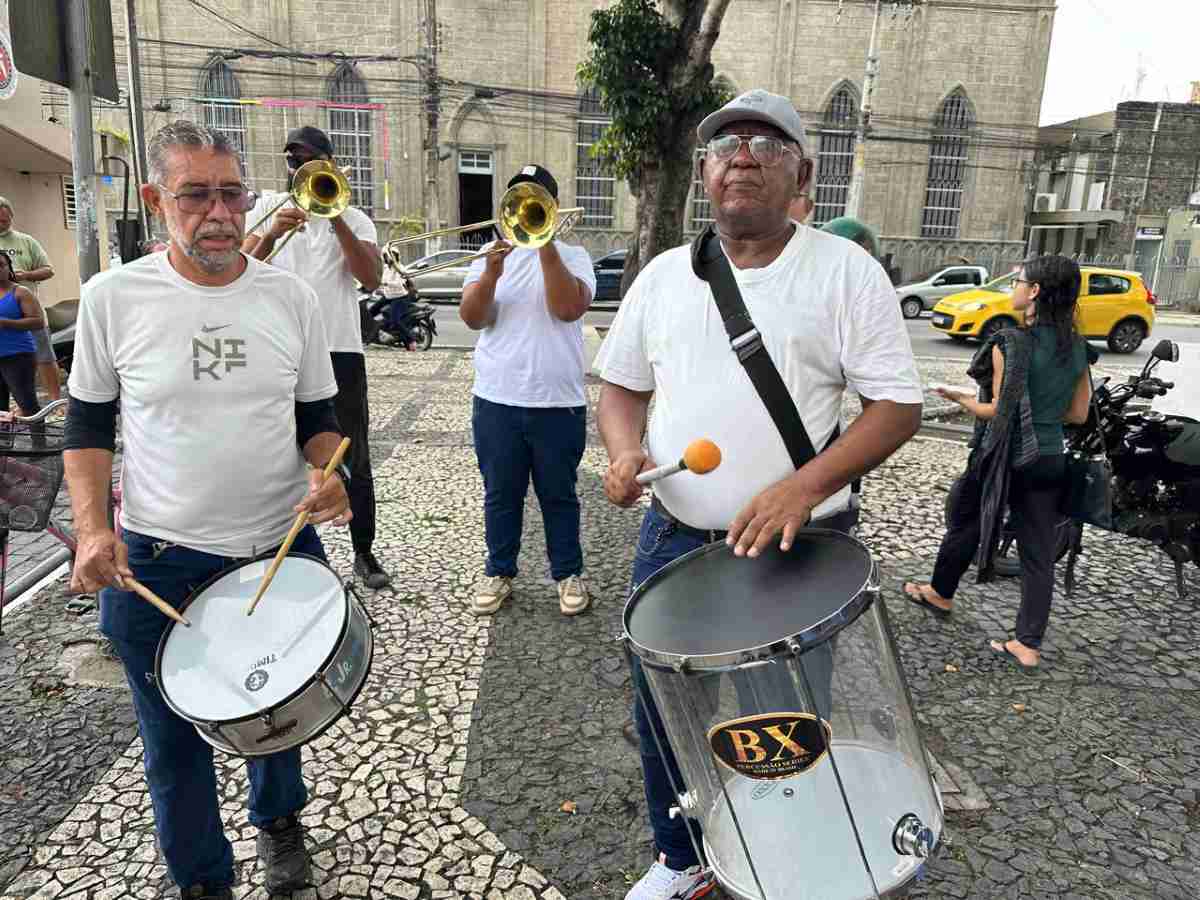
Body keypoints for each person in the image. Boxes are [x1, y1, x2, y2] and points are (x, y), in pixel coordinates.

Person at [595, 88, 924, 900]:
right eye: (725, 144)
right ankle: (681, 859)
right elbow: (620, 386)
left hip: (794, 545)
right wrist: (626, 450)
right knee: (662, 713)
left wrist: (801, 489)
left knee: (778, 723)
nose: (742, 155)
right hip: (675, 536)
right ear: (704, 172)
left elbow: (898, 407)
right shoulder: (666, 278)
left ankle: (781, 855)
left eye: (766, 144)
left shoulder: (845, 273)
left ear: (801, 173)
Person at [63, 121, 351, 900]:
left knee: (278, 710)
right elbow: (88, 426)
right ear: (158, 201)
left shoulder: (290, 298)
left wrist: (330, 476)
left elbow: (318, 419)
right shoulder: (112, 298)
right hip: (159, 556)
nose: (218, 213)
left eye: (231, 193)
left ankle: (279, 818)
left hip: (274, 548)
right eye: (196, 195)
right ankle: (202, 880)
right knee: (170, 744)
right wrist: (93, 529)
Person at [903, 255, 1090, 669]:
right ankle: (1028, 645)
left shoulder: (1011, 341)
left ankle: (941, 592)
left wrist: (960, 398)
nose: (1014, 288)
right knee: (1038, 553)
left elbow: (998, 413)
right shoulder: (1078, 347)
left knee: (966, 519)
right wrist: (1042, 413)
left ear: (1036, 291)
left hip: (1003, 456)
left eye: (1019, 281)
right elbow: (1078, 414)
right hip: (1050, 457)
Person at [243, 125, 391, 589]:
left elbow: (370, 278)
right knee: (275, 454)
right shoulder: (266, 209)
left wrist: (337, 215)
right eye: (292, 161)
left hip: (339, 351)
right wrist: (269, 234)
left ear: (328, 163)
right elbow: (238, 275)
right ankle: (285, 554)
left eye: (308, 161)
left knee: (352, 455)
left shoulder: (356, 216)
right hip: (278, 350)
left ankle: (364, 553)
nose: (299, 169)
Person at [459, 164, 597, 617]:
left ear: (553, 210)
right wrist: (490, 276)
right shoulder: (487, 256)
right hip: (497, 399)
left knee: (559, 494)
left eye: (535, 200)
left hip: (557, 403)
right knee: (500, 492)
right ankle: (499, 571)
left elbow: (566, 308)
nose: (525, 206)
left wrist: (545, 246)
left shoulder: (573, 255)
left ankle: (568, 574)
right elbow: (473, 318)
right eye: (518, 197)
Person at [0, 198, 60, 402]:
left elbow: (48, 270)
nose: (2, 223)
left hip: (28, 311)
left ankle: (54, 401)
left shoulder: (26, 241)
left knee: (44, 357)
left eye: (5, 220)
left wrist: (26, 275)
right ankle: (13, 408)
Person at [0, 250, 46, 418]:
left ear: (9, 268)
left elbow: (38, 321)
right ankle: (4, 443)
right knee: (1, 409)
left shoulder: (20, 292)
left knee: (27, 404)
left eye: (1, 265)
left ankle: (39, 442)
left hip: (17, 356)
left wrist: (5, 323)